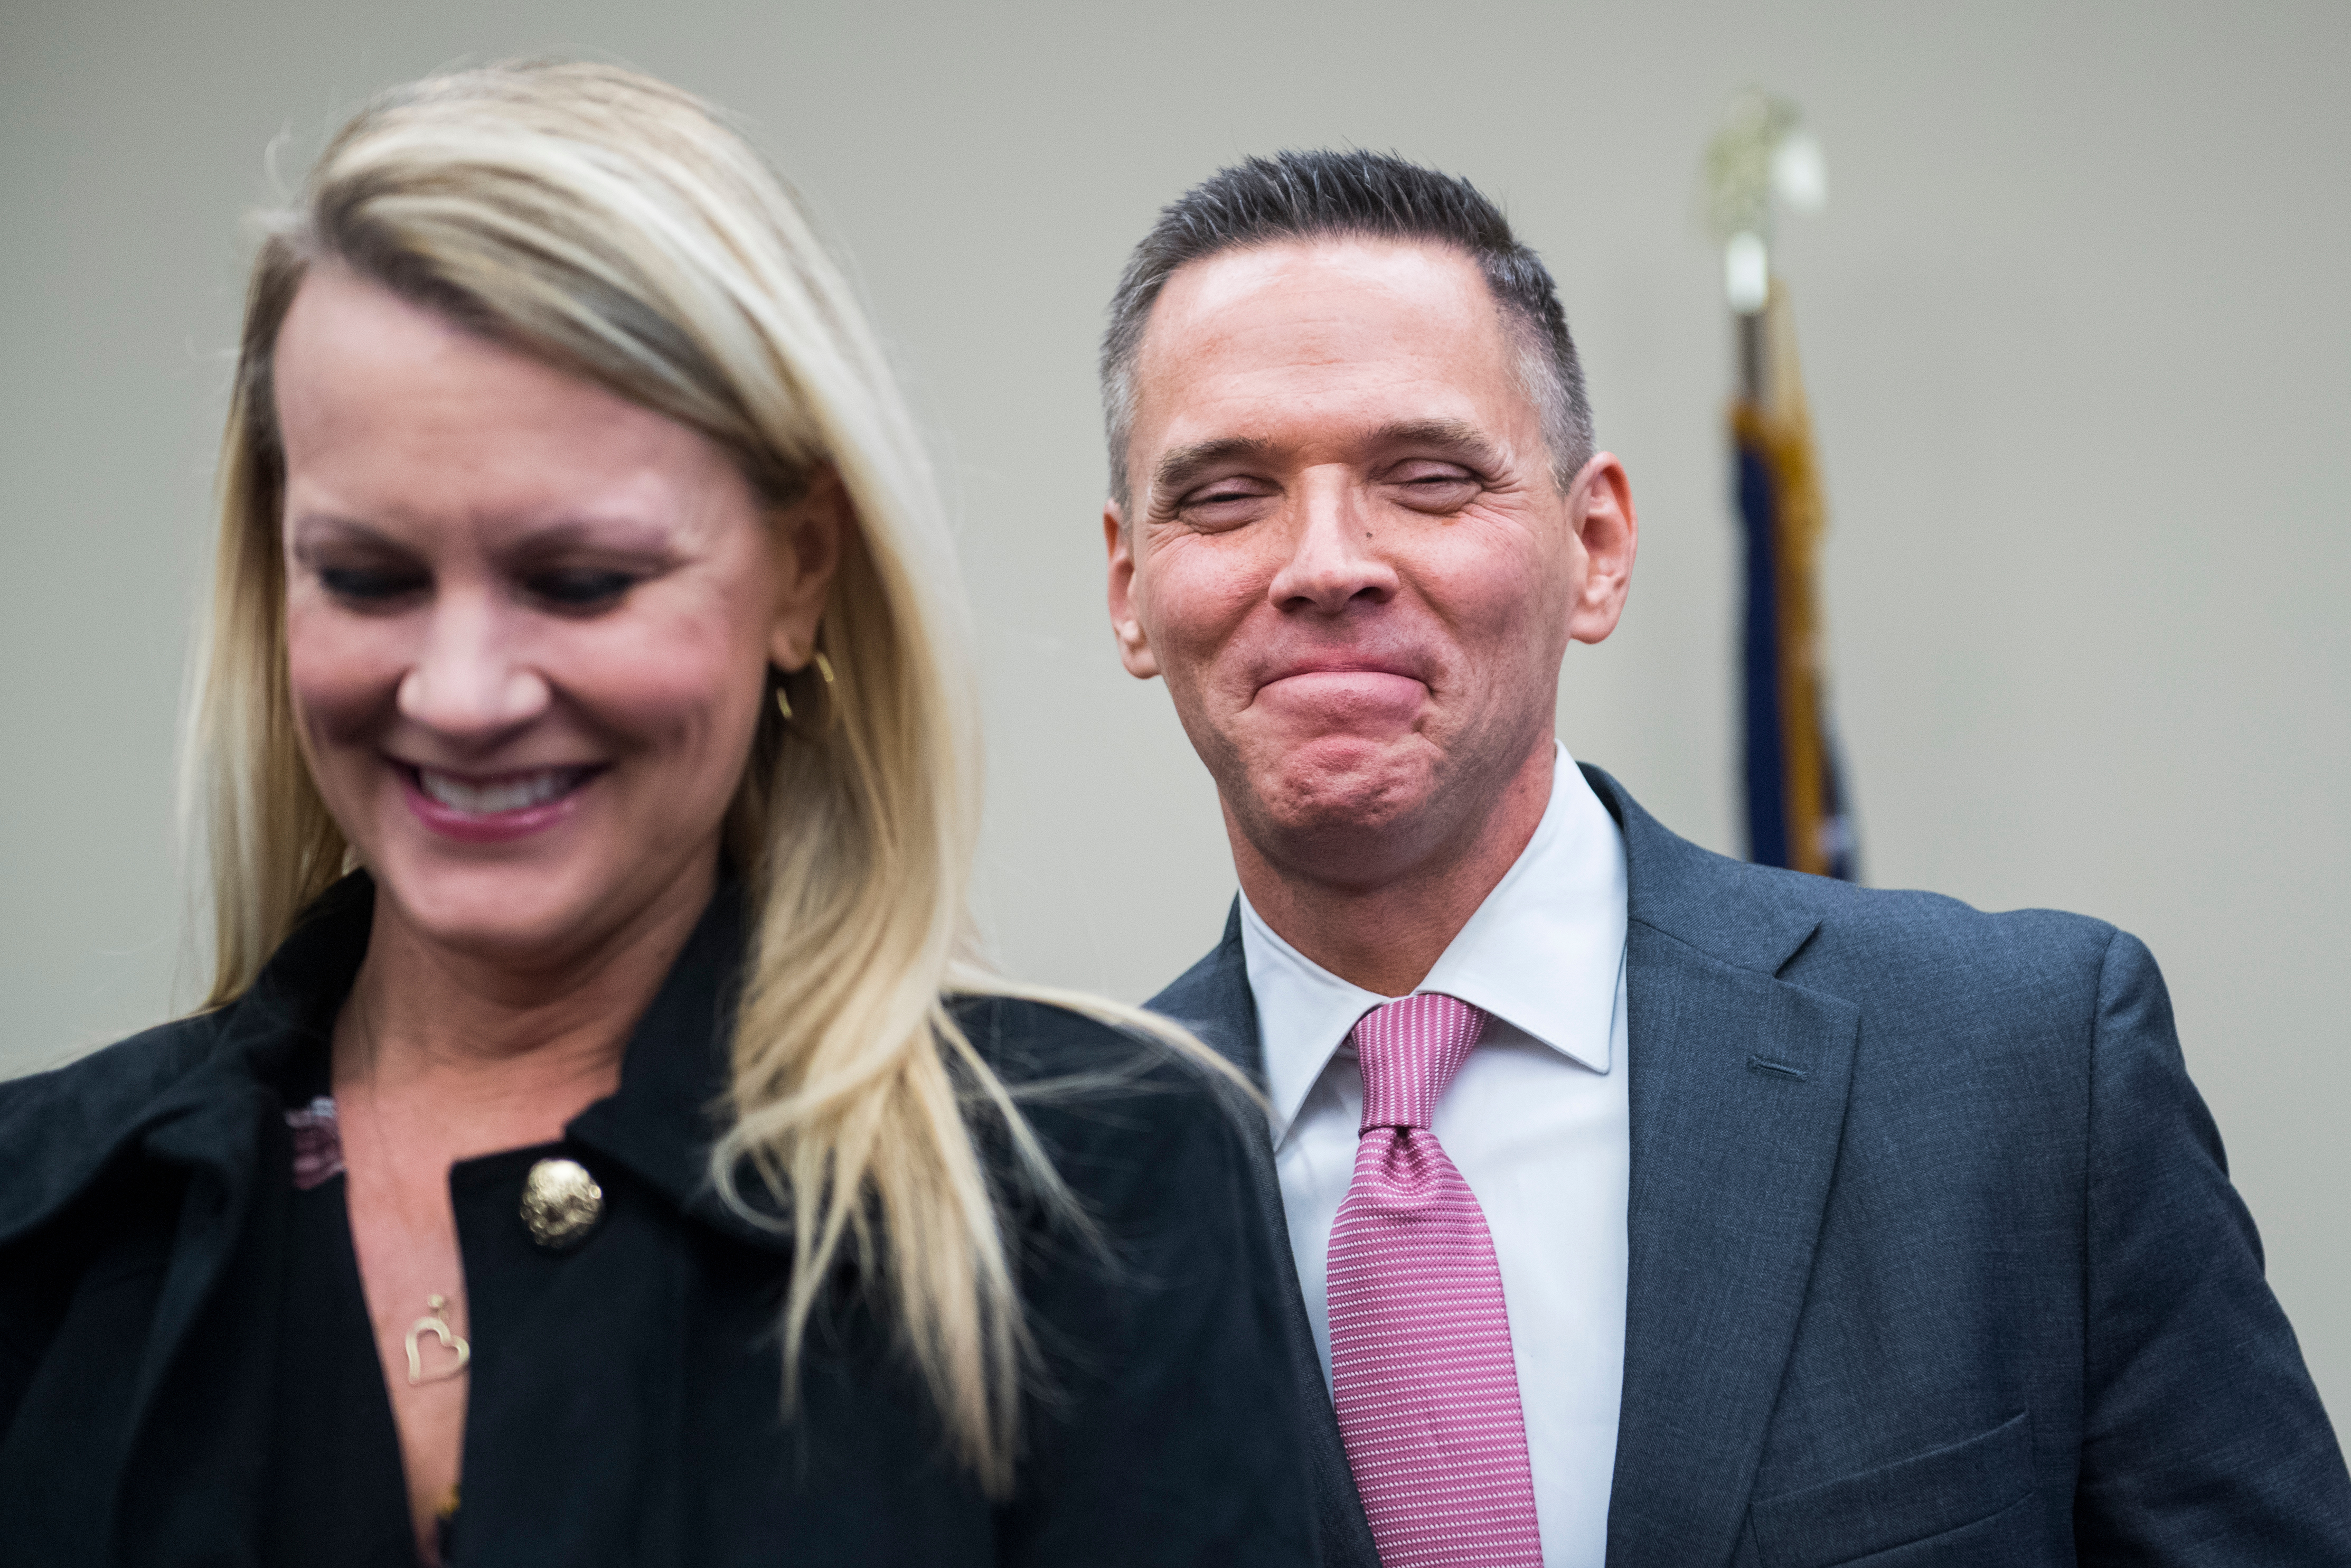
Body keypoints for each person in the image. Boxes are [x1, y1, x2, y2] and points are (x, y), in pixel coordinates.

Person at [0, 63, 1318, 1567]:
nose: (467, 689)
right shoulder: (43, 1220)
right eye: (368, 577)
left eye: (581, 580)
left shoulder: (1097, 1189)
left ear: (802, 570)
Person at [1099, 149, 2351, 1567]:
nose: (1326, 561)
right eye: (1222, 497)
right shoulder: (1014, 1198)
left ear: (1597, 544)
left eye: (1428, 478)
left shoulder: (2026, 1073)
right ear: (1128, 589)